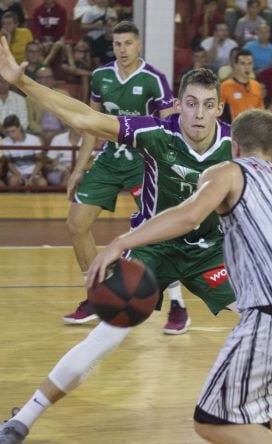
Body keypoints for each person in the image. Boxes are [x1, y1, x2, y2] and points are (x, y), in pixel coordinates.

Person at [0, 36, 272, 444]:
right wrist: (24, 83)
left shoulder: (236, 146)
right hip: (154, 249)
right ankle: (22, 421)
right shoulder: (156, 133)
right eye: (189, 103)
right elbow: (87, 118)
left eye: (206, 105)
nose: (197, 113)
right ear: (178, 104)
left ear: (218, 108)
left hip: (215, 253)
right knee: (106, 335)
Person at [85, 109, 272, 444]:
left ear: (234, 146)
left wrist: (121, 242)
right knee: (255, 415)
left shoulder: (229, 172)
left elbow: (189, 216)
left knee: (212, 422)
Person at [55, 21, 190, 334]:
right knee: (76, 225)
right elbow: (90, 124)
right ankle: (96, 295)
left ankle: (177, 304)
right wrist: (80, 166)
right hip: (110, 160)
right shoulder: (101, 76)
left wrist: (169, 165)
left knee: (160, 230)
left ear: (139, 45)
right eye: (117, 44)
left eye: (128, 43)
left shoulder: (154, 79)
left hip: (144, 162)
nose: (122, 49)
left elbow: (168, 127)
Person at [1, 114, 47, 187]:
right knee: (13, 182)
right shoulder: (4, 142)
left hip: (33, 173)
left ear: (19, 128)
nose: (11, 135)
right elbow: (10, 165)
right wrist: (22, 178)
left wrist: (31, 178)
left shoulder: (34, 139)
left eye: (13, 131)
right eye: (8, 132)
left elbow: (39, 162)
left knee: (42, 183)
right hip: (16, 174)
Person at [220, 49, 263, 121]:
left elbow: (260, 110)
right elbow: (218, 113)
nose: (247, 67)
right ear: (235, 65)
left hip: (254, 128)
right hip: (233, 129)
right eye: (243, 63)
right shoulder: (225, 86)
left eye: (250, 63)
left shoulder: (256, 86)